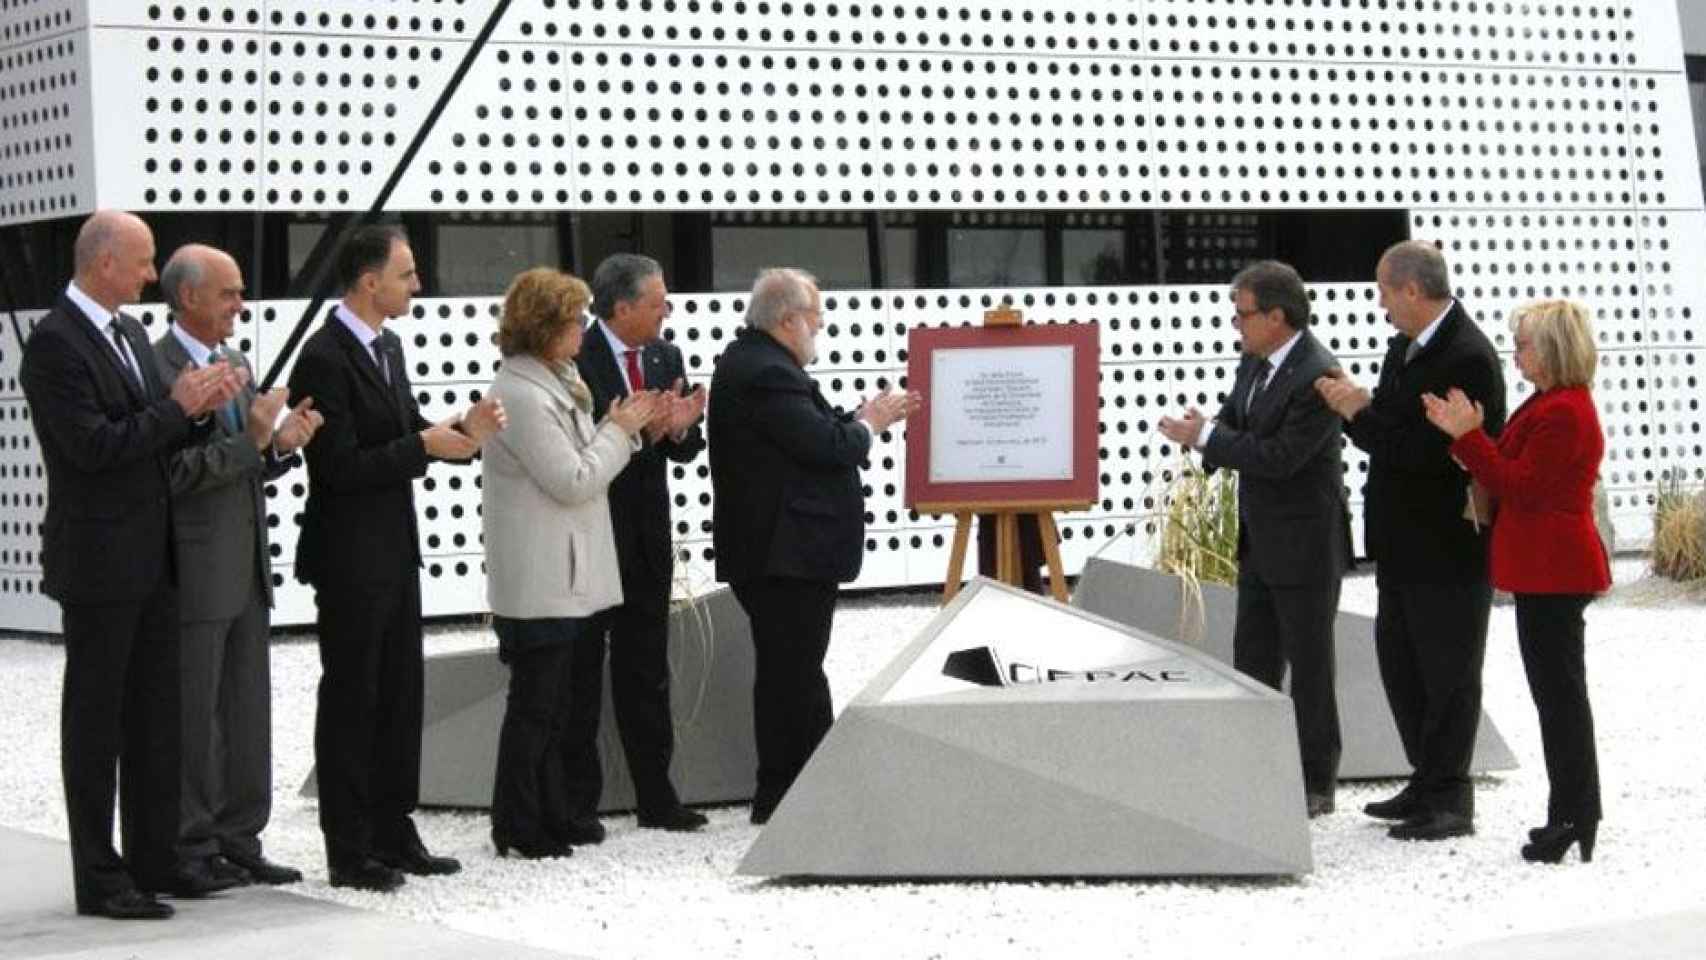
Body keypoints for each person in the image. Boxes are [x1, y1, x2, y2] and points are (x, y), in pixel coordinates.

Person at [20, 210, 246, 919]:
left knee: (155, 719)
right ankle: (100, 874)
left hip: (154, 558)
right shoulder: (54, 343)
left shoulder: (128, 334)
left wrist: (205, 408)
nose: (154, 276)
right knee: (97, 724)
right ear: (106, 261)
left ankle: (157, 859)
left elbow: (159, 430)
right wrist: (178, 409)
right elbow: (93, 448)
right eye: (146, 262)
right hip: (98, 563)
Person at [287, 224, 505, 891]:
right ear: (367, 280)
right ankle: (349, 849)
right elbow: (339, 466)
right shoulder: (324, 357)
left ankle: (392, 827)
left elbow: (408, 427)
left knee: (399, 696)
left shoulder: (387, 347)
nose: (417, 284)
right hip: (350, 556)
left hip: (392, 550)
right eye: (406, 274)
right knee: (354, 699)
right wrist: (425, 449)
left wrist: (463, 430)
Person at [708, 268, 919, 824]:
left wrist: (865, 420)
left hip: (785, 553)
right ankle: (784, 795)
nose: (819, 330)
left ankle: (812, 785)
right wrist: (867, 425)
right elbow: (825, 445)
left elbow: (816, 432)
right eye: (815, 320)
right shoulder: (767, 372)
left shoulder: (763, 365)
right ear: (787, 319)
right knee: (790, 675)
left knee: (798, 669)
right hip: (784, 554)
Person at [1315, 240, 1506, 842]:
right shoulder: (1405, 348)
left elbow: (1423, 452)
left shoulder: (1467, 356)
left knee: (1449, 669)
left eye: (1384, 291)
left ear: (1413, 292)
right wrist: (1368, 410)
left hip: (1447, 543)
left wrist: (1356, 414)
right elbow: (1396, 423)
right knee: (1402, 664)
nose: (1380, 305)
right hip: (1401, 541)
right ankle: (1426, 780)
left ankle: (1452, 798)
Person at [155, 244, 323, 889]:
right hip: (195, 568)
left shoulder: (235, 361)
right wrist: (252, 441)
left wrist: (279, 446)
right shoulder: (158, 368)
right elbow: (173, 473)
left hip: (247, 565)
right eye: (228, 293)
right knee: (194, 715)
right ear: (189, 297)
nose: (240, 305)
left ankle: (240, 836)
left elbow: (246, 459)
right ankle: (190, 845)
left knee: (248, 711)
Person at [1158, 260, 1352, 819]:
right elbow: (1235, 421)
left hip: (1306, 545)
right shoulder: (1255, 361)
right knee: (1254, 658)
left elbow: (1281, 458)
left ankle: (1317, 780)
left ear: (1277, 315)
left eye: (1243, 315)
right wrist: (1202, 437)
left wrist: (1211, 437)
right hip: (1261, 542)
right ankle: (1255, 765)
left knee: (1312, 668)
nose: (1235, 325)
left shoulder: (1318, 374)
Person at [481, 268, 663, 858]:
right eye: (573, 320)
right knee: (535, 707)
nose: (583, 329)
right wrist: (621, 430)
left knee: (560, 705)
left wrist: (617, 431)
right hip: (542, 572)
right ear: (545, 327)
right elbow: (573, 477)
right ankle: (518, 822)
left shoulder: (556, 380)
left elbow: (582, 462)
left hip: (565, 568)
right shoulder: (522, 392)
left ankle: (553, 812)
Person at [1422, 299, 1610, 864]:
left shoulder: (1563, 412)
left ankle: (1576, 813)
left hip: (1554, 568)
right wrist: (1472, 437)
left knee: (1560, 700)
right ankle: (1571, 812)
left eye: (1526, 343)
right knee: (1557, 697)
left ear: (1550, 349)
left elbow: (1520, 484)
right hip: (1544, 567)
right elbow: (1510, 468)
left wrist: (1468, 437)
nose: (1517, 352)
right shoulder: (1552, 404)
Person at [576, 254, 710, 833]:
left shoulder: (664, 355)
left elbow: (679, 449)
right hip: (590, 532)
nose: (668, 312)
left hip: (648, 537)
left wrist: (678, 429)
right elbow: (577, 449)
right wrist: (633, 432)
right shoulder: (575, 358)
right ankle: (578, 802)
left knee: (647, 672)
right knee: (581, 673)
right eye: (657, 303)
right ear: (622, 307)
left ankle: (657, 797)